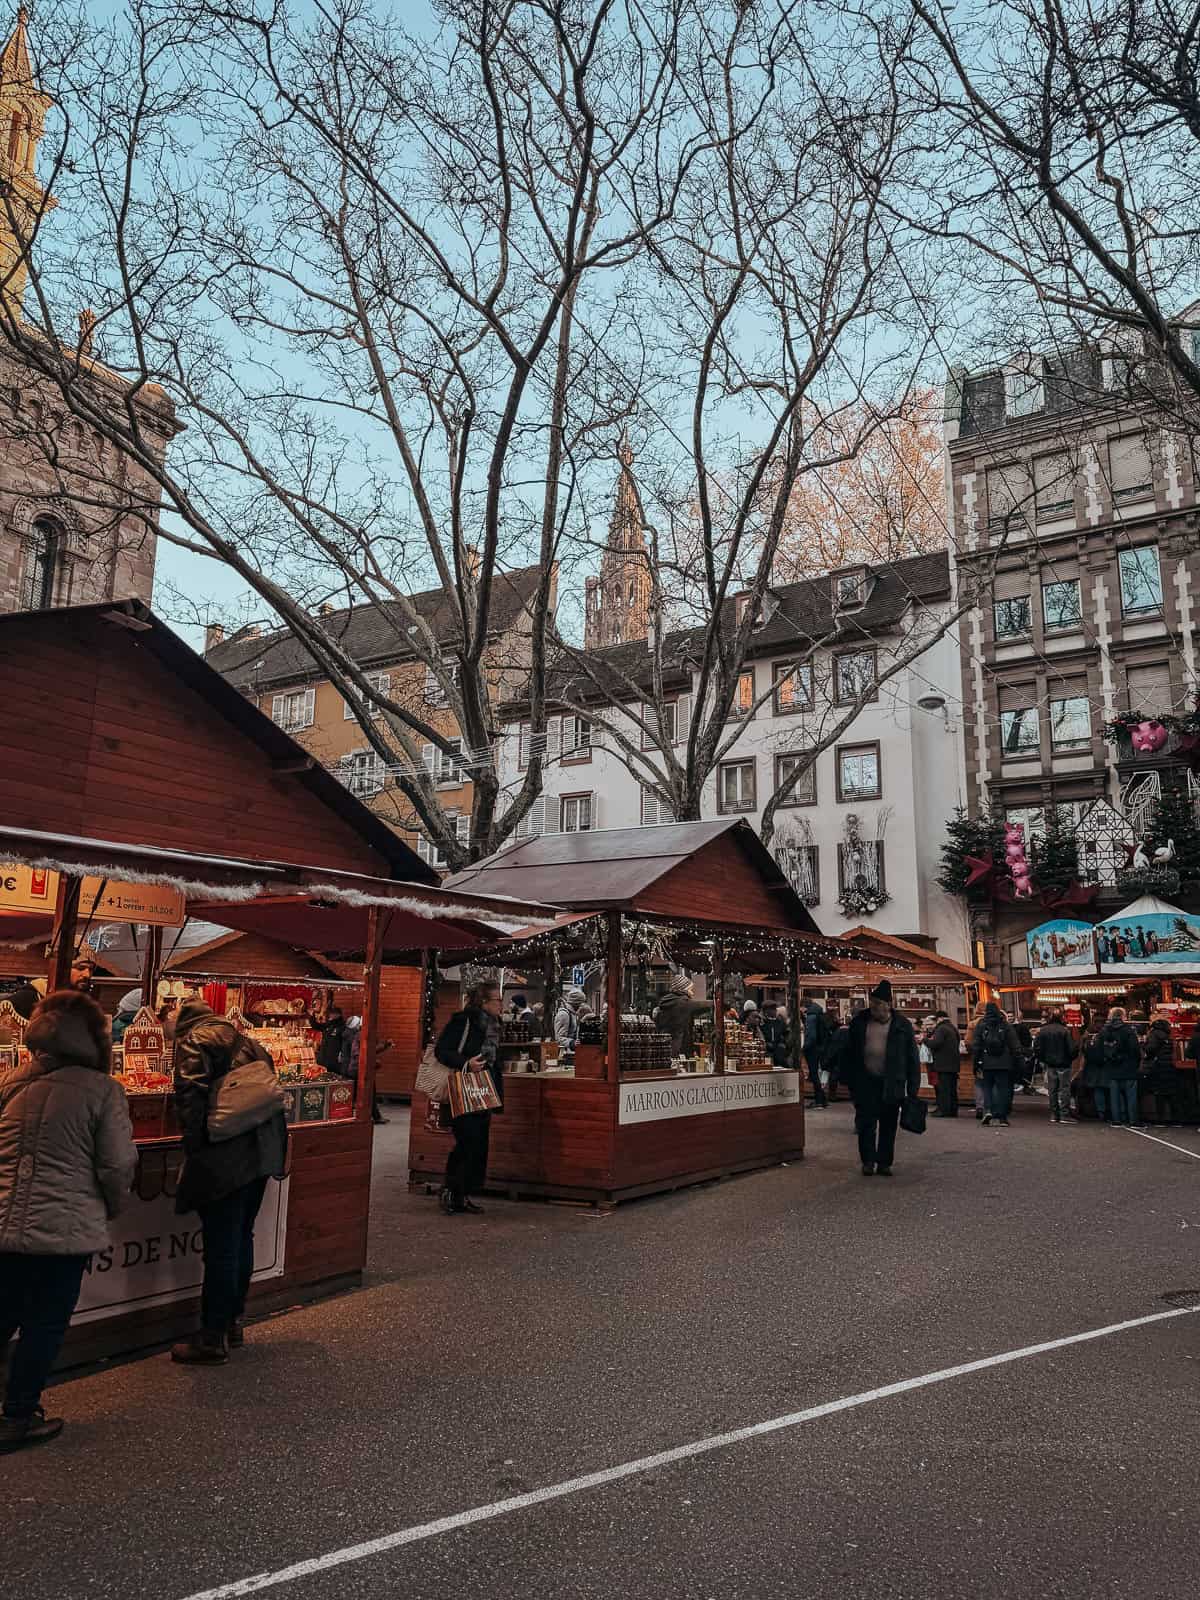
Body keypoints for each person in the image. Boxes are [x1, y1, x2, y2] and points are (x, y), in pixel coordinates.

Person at [0, 990, 137, 1452]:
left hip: (4, 1222)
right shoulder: (102, 1091)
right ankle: (17, 1416)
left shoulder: (11, 1083)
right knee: (44, 1323)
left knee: (2, 1314)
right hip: (63, 1228)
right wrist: (111, 1208)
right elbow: (117, 1165)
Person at [170, 999, 288, 1364]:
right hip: (262, 1152)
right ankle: (233, 1322)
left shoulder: (194, 1041)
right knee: (241, 1238)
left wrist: (195, 1149)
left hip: (225, 1154)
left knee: (221, 1246)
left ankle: (212, 1337)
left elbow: (190, 1097)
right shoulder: (251, 1043)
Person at [435, 981, 503, 1215]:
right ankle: (451, 1190)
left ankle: (462, 1194)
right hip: (463, 1089)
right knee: (467, 1142)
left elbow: (493, 1059)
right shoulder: (463, 1021)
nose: (501, 1004)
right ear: (483, 1002)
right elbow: (442, 1050)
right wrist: (466, 1063)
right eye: (497, 999)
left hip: (484, 1091)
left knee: (479, 1144)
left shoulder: (495, 1025)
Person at [844, 980, 920, 1177]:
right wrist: (851, 1081)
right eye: (872, 1002)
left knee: (888, 1124)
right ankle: (868, 1161)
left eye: (878, 1003)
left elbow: (912, 1057)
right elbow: (849, 1053)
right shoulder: (860, 1022)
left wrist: (913, 1088)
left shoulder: (902, 1025)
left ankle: (884, 1162)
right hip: (865, 1081)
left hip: (892, 1082)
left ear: (888, 1004)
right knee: (866, 1124)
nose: (873, 1007)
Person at [971, 1001, 1021, 1127]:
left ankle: (988, 1110)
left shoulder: (981, 1025)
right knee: (1003, 1089)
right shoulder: (1005, 1025)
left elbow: (976, 1046)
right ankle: (1002, 1117)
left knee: (987, 1088)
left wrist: (976, 1063)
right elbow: (1014, 1045)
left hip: (986, 1062)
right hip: (1004, 1063)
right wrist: (1017, 1060)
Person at [1100, 1005, 1142, 1128]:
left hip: (1112, 1066)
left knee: (1114, 1095)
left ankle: (1116, 1120)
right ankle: (1133, 1120)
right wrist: (1136, 1062)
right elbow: (1135, 1049)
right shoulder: (1128, 1030)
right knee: (1131, 1095)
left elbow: (1101, 1047)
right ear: (1123, 1016)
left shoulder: (1105, 1030)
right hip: (1128, 1066)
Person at [1034, 1010, 1076, 1125]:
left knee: (1052, 1090)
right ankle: (1064, 1114)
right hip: (1064, 1063)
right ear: (1061, 1018)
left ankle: (1054, 1113)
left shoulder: (1043, 1030)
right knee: (1064, 1089)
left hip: (1050, 1063)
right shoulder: (1065, 1031)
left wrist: (1043, 1059)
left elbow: (1037, 1048)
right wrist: (1070, 1058)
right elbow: (1072, 1049)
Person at [652, 975, 711, 1057]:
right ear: (683, 989)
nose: (692, 993)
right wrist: (720, 1003)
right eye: (690, 989)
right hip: (677, 1048)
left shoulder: (668, 1003)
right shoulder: (682, 1003)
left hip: (665, 1045)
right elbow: (700, 1005)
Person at [1142, 1014, 1181, 1126]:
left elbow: (1151, 1048)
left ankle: (1160, 1119)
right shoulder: (1168, 1033)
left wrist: (1144, 1046)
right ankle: (1175, 1119)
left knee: (1159, 1093)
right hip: (1169, 1065)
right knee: (1171, 1093)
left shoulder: (1154, 1033)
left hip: (1158, 1065)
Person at [927, 1010, 962, 1117]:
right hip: (953, 1063)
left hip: (943, 1064)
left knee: (944, 1089)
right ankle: (952, 1110)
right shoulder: (953, 1028)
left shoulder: (941, 1028)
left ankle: (944, 1110)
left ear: (940, 1019)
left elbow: (935, 1043)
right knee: (952, 1089)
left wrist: (924, 1040)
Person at [803, 999, 832, 1108]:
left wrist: (805, 1047)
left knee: (814, 1075)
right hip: (820, 1048)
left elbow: (811, 1035)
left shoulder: (811, 1016)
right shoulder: (819, 1013)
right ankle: (822, 1099)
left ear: (803, 1006)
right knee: (817, 1075)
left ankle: (819, 1100)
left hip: (812, 1049)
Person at [964, 1000, 989, 1120]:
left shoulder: (973, 1024)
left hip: (978, 1057)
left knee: (979, 1082)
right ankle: (991, 1107)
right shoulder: (993, 1022)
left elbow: (968, 1041)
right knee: (991, 1082)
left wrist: (972, 1051)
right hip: (992, 1057)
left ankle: (980, 1106)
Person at [554, 987, 588, 1056]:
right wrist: (572, 1043)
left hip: (570, 1052)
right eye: (581, 1003)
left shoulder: (573, 1014)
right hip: (564, 1053)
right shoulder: (564, 1014)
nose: (582, 1005)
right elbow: (559, 1038)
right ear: (576, 1003)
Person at [313, 1005, 346, 1073]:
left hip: (334, 1059)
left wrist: (341, 1056)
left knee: (332, 1075)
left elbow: (344, 1044)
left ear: (338, 1014)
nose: (330, 1015)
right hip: (323, 1057)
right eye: (330, 1014)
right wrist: (312, 1016)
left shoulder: (342, 1026)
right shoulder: (329, 1024)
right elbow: (316, 1026)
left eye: (332, 1013)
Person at [759, 1001, 790, 1068]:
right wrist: (766, 1044)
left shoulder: (780, 1022)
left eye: (775, 1008)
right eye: (772, 1009)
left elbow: (786, 1035)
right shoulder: (761, 1023)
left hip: (779, 1052)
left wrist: (783, 1044)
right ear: (766, 1011)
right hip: (766, 1051)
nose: (775, 1010)